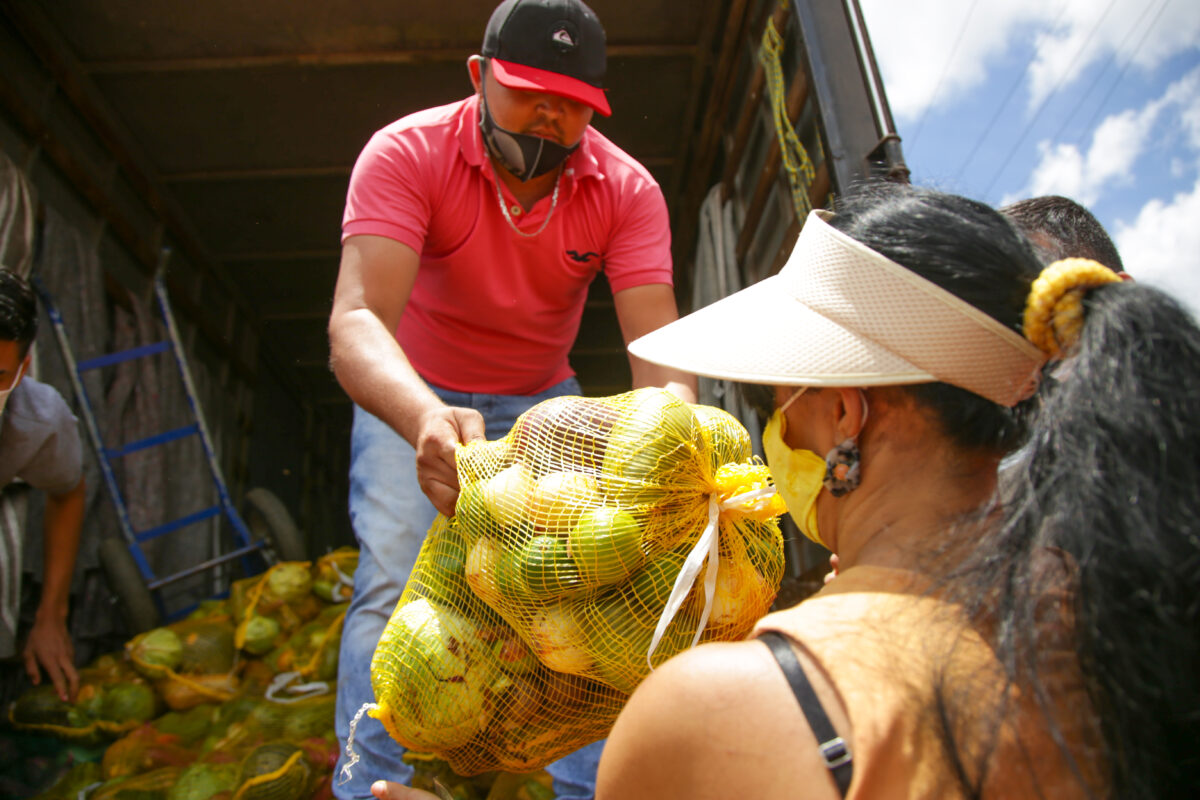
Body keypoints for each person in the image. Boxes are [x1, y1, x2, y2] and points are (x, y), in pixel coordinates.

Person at [575, 182, 1193, 798]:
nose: (773, 432)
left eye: (773, 403)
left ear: (846, 414)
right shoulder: (1126, 634)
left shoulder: (705, 714)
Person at [326, 0, 696, 797]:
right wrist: (423, 417)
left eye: (571, 105)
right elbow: (356, 320)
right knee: (391, 582)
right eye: (528, 91)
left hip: (541, 407)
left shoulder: (625, 190)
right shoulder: (408, 152)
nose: (548, 117)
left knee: (569, 599)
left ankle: (586, 790)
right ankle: (366, 785)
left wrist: (677, 462)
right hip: (413, 392)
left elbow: (658, 356)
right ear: (478, 76)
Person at [0, 269, 86, 704]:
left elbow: (68, 491)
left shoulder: (36, 420)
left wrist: (51, 614)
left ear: (22, 369)